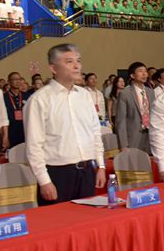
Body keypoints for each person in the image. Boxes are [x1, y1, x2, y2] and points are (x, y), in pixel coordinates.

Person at [24, 44, 106, 206]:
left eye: (78, 61)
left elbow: (95, 133)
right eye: (69, 62)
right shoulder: (39, 99)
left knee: (88, 219)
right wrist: (44, 181)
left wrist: (101, 165)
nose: (77, 66)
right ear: (53, 68)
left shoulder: (84, 96)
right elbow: (34, 145)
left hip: (87, 171)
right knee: (59, 220)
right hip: (58, 173)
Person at [115, 62, 155, 152]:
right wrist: (123, 144)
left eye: (145, 71)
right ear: (132, 75)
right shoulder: (125, 93)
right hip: (133, 137)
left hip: (150, 136)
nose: (144, 74)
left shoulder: (151, 92)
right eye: (140, 71)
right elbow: (120, 121)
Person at [3, 72, 30, 148]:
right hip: (11, 130)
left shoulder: (27, 96)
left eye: (19, 79)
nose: (18, 81)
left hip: (25, 129)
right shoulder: (4, 97)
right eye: (14, 79)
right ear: (9, 82)